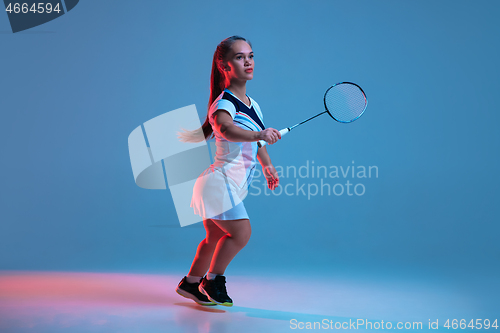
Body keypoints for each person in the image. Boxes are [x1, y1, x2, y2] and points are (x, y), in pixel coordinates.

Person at [175, 36, 281, 306]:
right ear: (224, 66)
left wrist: (268, 166)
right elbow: (224, 129)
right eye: (239, 57)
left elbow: (257, 142)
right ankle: (212, 280)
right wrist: (259, 132)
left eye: (251, 56)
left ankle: (189, 284)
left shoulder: (253, 105)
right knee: (241, 233)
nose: (248, 62)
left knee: (214, 238)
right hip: (217, 184)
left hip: (229, 185)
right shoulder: (225, 102)